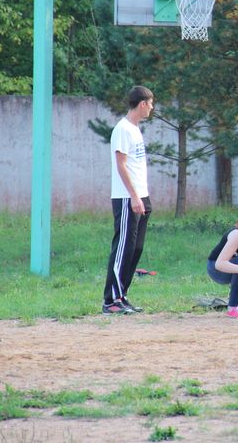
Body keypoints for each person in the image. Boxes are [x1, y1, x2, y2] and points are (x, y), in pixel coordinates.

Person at [103, 85, 155, 315]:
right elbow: (121, 164)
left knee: (136, 248)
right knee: (123, 248)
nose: (152, 108)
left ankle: (121, 296)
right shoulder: (122, 129)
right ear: (142, 103)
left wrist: (141, 196)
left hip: (141, 196)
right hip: (127, 198)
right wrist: (134, 196)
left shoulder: (135, 129)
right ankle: (110, 300)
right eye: (151, 103)